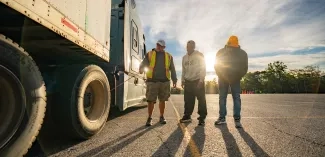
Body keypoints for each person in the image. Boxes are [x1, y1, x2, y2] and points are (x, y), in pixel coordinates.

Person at [139, 39, 177, 126]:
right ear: (156, 45)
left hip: (164, 82)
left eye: (161, 46)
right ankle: (149, 118)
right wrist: (141, 68)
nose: (159, 47)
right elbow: (144, 63)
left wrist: (174, 80)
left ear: (164, 47)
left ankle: (162, 116)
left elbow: (173, 69)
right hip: (152, 81)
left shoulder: (169, 56)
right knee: (150, 100)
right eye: (158, 45)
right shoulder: (149, 54)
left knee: (162, 100)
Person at [214, 35, 248, 128]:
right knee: (222, 97)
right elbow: (217, 65)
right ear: (228, 44)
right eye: (231, 46)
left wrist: (237, 77)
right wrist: (222, 76)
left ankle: (237, 120)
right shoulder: (220, 52)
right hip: (222, 78)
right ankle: (222, 118)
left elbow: (244, 68)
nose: (233, 48)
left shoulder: (243, 53)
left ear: (237, 45)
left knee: (236, 97)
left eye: (234, 47)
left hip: (235, 79)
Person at [179, 40, 207, 126]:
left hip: (197, 80)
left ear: (194, 47)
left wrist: (201, 80)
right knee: (188, 100)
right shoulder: (184, 58)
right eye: (187, 47)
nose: (189, 48)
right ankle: (187, 116)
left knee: (201, 100)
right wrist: (182, 80)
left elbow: (203, 68)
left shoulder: (199, 55)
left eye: (191, 46)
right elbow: (183, 70)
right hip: (188, 81)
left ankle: (202, 118)